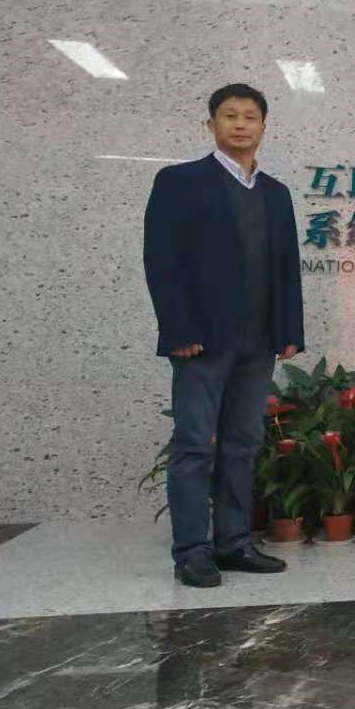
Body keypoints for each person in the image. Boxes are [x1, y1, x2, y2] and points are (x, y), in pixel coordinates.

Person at [143, 83, 305, 588]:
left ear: (263, 126)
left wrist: (289, 329)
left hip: (259, 341)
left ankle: (234, 543)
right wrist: (178, 329)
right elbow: (161, 260)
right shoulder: (180, 181)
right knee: (195, 443)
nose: (240, 124)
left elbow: (287, 266)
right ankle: (192, 551)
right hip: (201, 340)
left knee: (243, 442)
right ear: (211, 124)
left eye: (249, 116)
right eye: (230, 115)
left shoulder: (276, 193)